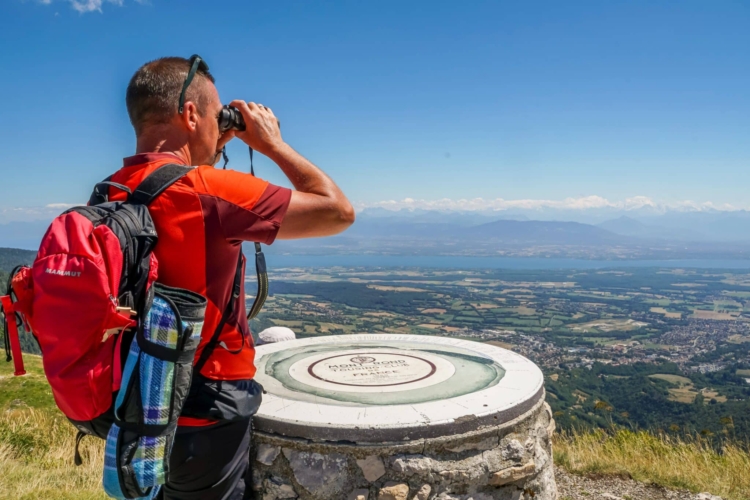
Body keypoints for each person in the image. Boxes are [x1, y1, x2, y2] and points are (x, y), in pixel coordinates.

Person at [109, 56, 354, 500]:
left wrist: (211, 145)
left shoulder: (112, 191)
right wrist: (272, 145)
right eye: (215, 112)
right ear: (189, 114)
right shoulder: (207, 189)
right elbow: (337, 211)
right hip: (205, 413)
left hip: (133, 406)